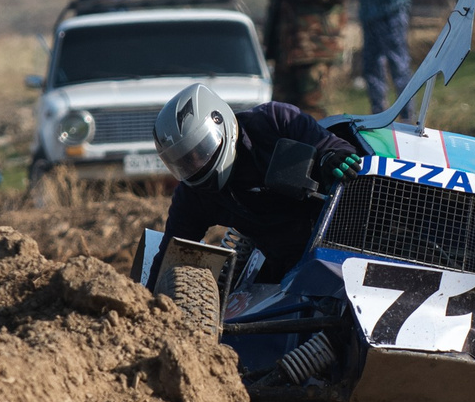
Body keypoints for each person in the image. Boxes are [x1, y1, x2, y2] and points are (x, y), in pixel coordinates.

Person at [150, 84, 362, 283]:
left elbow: (333, 145)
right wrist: (148, 303)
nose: (196, 163)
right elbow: (171, 255)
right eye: (186, 162)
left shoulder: (274, 120)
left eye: (201, 151)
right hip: (283, 264)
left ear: (219, 121)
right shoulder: (193, 195)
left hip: (340, 240)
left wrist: (331, 157)